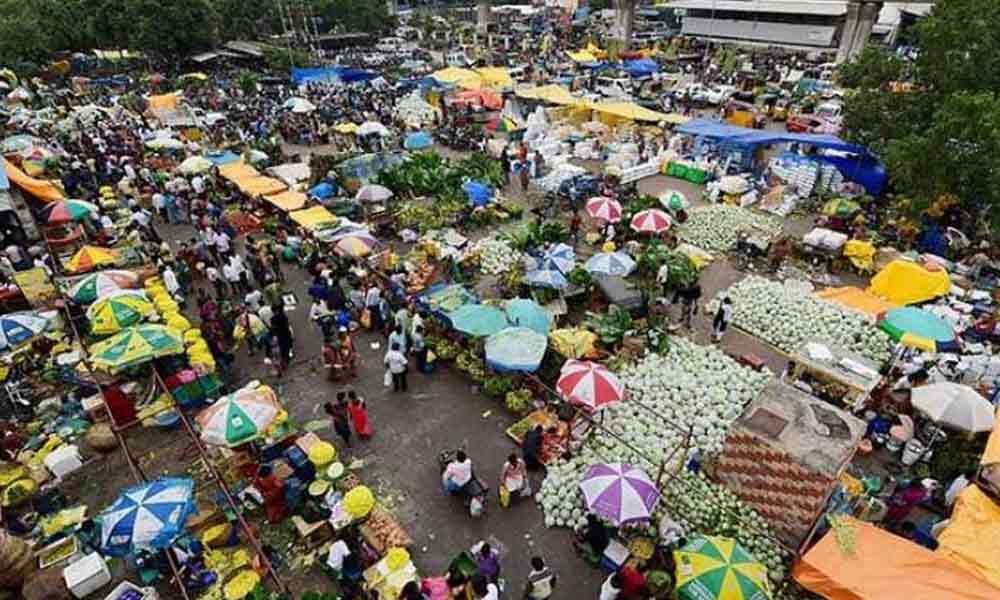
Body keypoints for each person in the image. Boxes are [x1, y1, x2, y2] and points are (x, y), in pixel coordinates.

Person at [270, 303, 294, 375]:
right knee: (288, 346)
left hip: (280, 336)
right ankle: (287, 358)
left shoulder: (272, 319)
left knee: (283, 348)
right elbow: (287, 324)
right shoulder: (283, 316)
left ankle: (284, 361)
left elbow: (273, 329)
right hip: (286, 333)